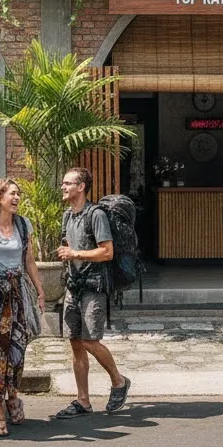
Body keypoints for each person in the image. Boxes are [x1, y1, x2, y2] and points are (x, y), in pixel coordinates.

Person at [52, 166, 131, 419]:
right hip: (73, 285)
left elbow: (107, 252)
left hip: (94, 285)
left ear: (81, 187)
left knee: (89, 340)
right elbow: (68, 245)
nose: (63, 187)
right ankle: (83, 401)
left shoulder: (95, 214)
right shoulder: (68, 216)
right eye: (63, 183)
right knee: (75, 342)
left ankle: (119, 381)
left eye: (68, 183)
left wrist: (75, 253)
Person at [0, 177, 45, 436]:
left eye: (18, 194)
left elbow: (30, 261)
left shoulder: (23, 225)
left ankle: (13, 395)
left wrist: (39, 290)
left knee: (16, 350)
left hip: (16, 292)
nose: (16, 198)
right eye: (12, 193)